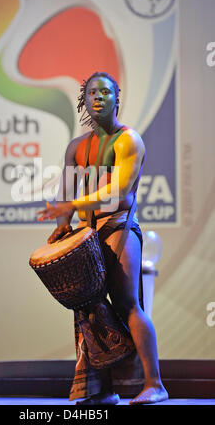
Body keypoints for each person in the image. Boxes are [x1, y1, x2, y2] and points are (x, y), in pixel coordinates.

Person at [37, 71, 168, 405]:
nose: (98, 97)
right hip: (88, 235)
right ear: (85, 99)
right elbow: (66, 191)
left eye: (105, 92)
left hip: (119, 227)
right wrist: (63, 223)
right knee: (91, 312)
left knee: (127, 304)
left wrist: (73, 205)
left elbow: (120, 192)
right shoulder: (77, 147)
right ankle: (102, 391)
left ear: (117, 98)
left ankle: (155, 384)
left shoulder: (128, 140)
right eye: (92, 92)